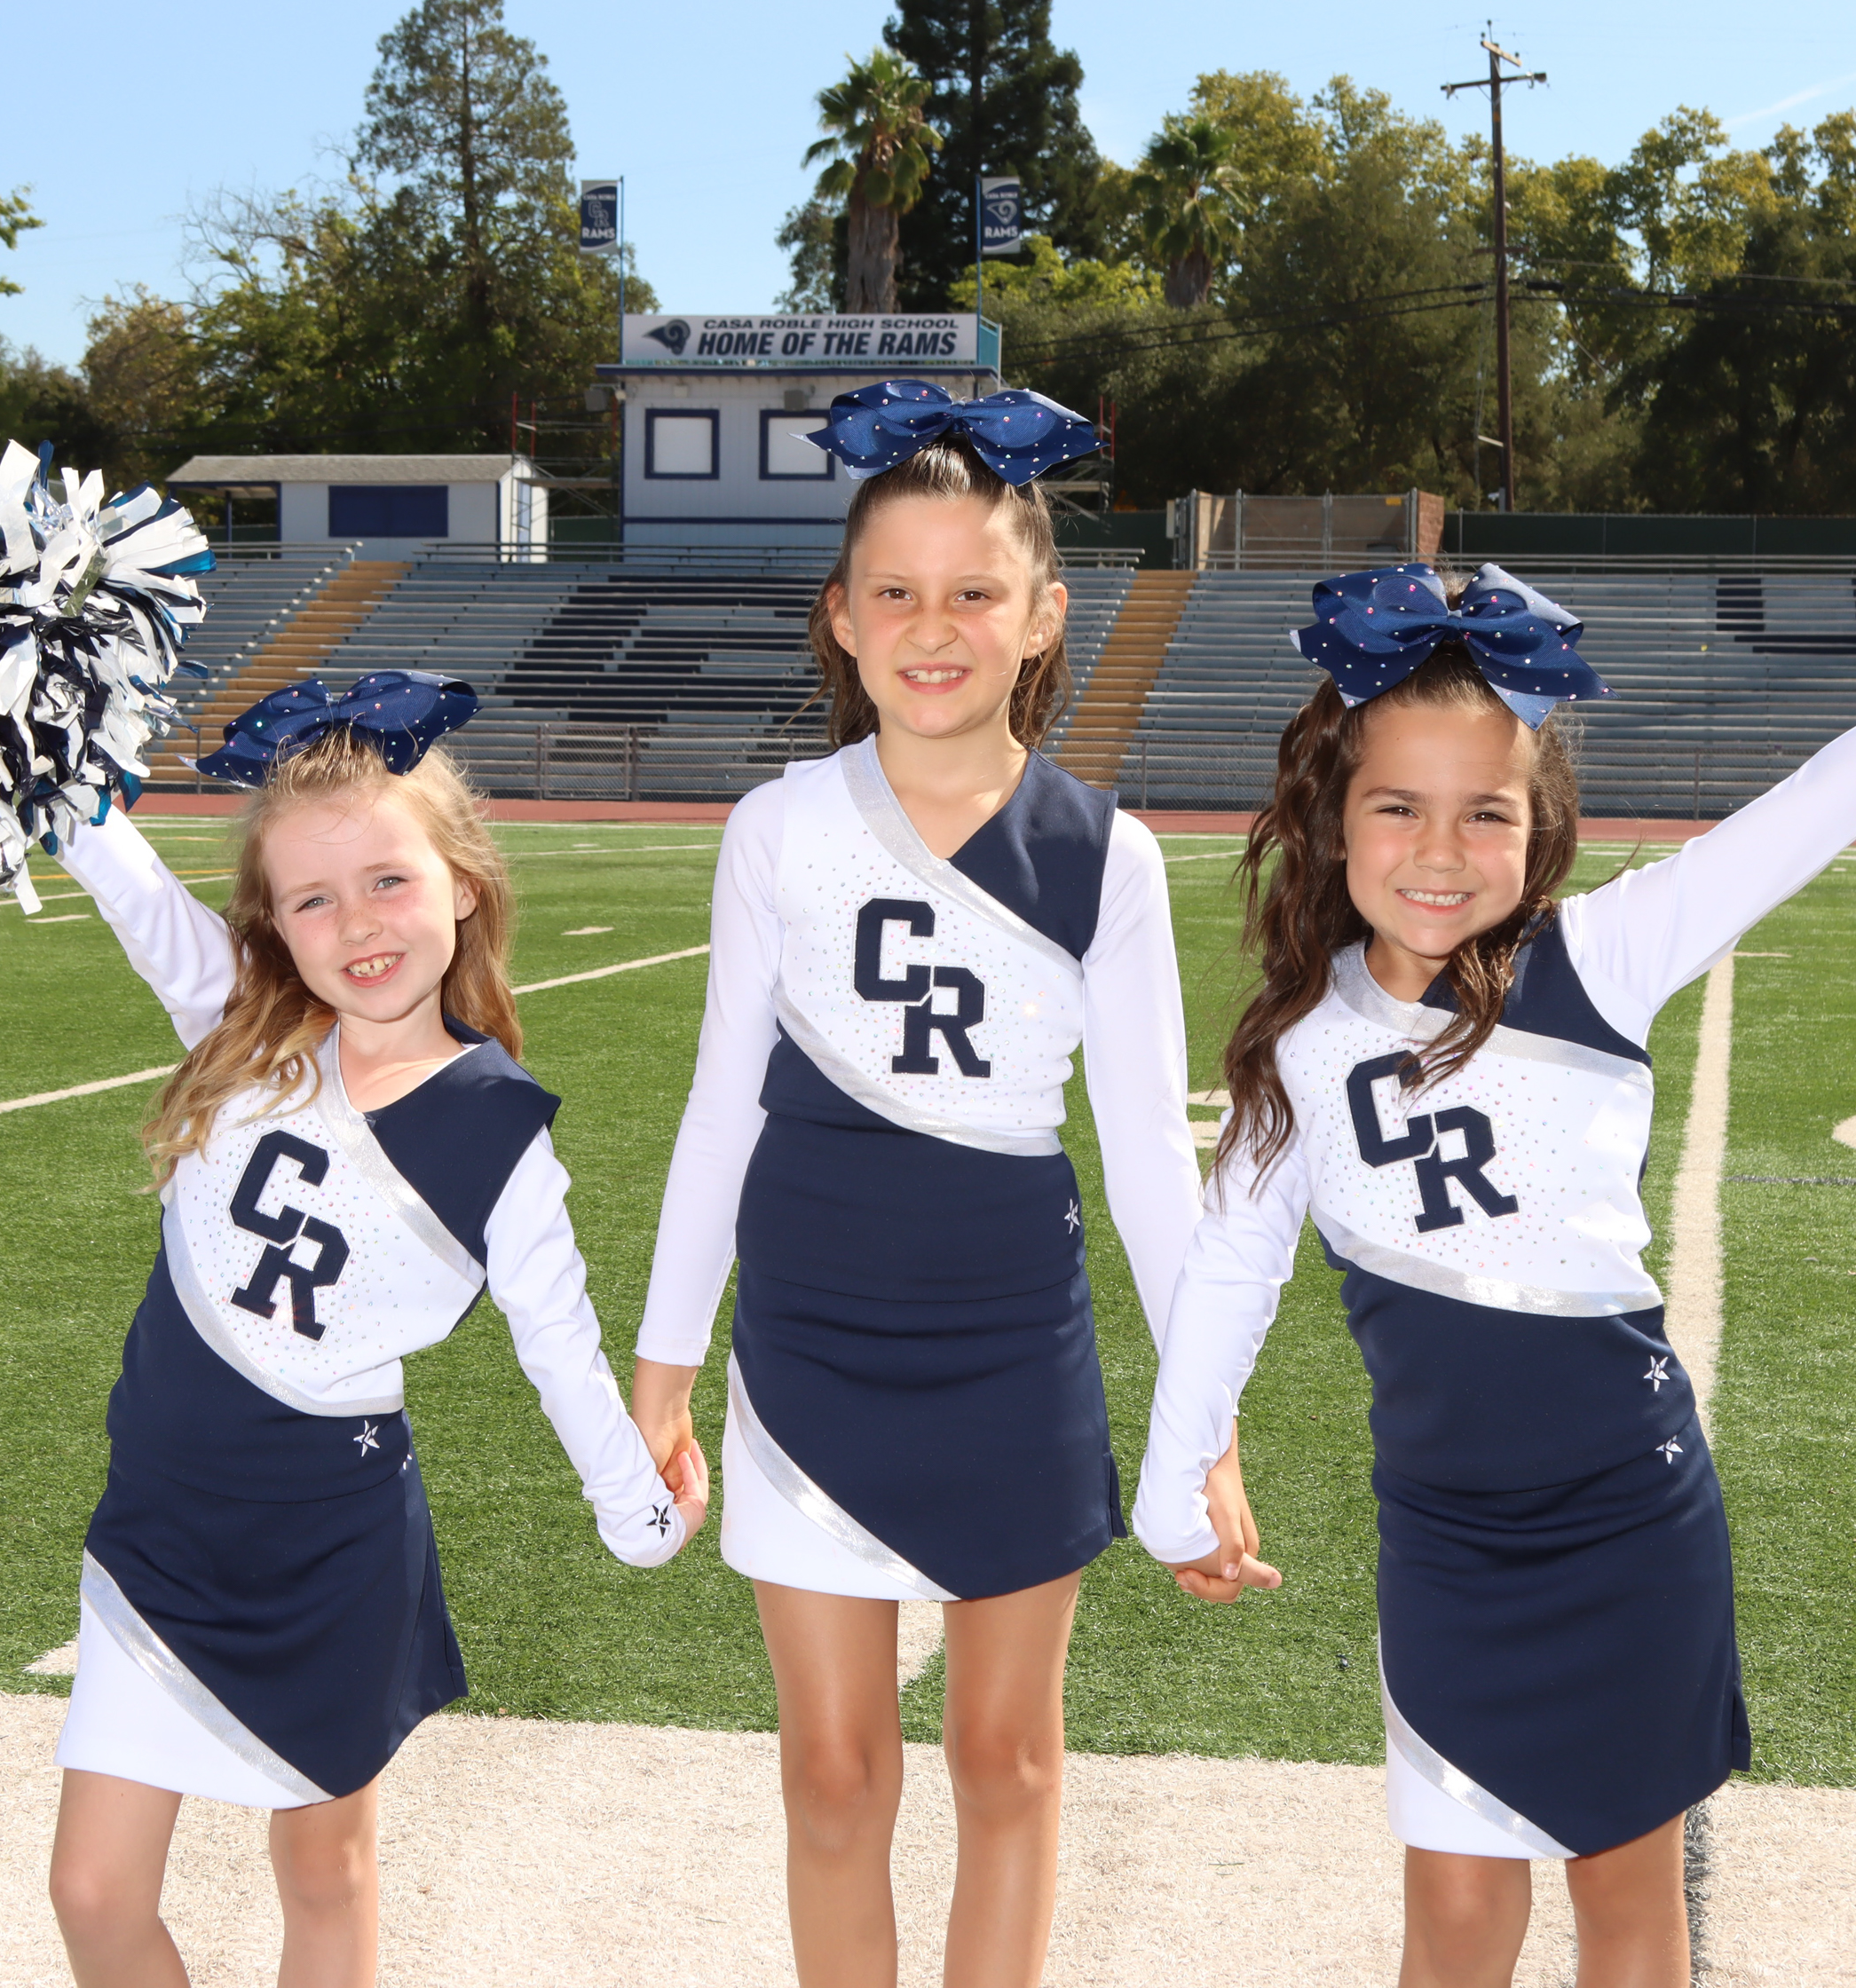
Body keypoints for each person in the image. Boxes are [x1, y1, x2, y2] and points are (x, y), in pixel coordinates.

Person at [1133, 564, 1856, 1987]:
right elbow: (1230, 1269)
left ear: (1539, 830)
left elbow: (1823, 799)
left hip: (1629, 1522)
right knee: (1454, 1921)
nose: (1441, 849)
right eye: (1398, 807)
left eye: (1487, 812)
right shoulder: (1295, 1049)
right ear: (1334, 819)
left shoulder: (1598, 958)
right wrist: (1174, 1486)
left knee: (1629, 1904)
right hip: (1447, 1543)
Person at [630, 381, 1205, 1987]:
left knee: (1005, 1762)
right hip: (810, 1347)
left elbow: (1151, 1156)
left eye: (973, 593)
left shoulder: (1107, 856)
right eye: (895, 591)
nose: (931, 628)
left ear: (1042, 618)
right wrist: (664, 1367)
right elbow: (721, 1109)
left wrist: (1205, 1412)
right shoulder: (778, 828)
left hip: (1011, 1347)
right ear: (841, 614)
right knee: (831, 1775)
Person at [41, 677, 706, 1988]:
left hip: (329, 1542)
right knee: (91, 1890)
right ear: (271, 926)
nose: (356, 924)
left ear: (463, 885)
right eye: (312, 900)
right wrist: (22, 734)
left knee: (324, 1874)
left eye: (389, 881)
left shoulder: (499, 1131)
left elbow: (559, 1346)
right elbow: (125, 880)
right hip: (158, 1526)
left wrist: (638, 1513)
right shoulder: (237, 1027)